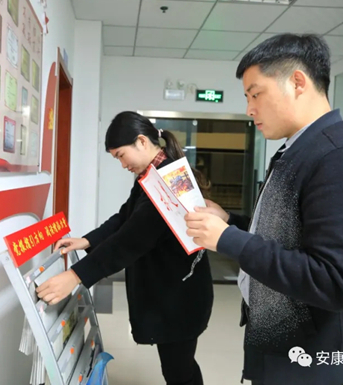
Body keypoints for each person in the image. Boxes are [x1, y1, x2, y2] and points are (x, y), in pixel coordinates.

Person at [185, 33, 343, 385]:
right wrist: (230, 222)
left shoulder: (342, 158)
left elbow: (335, 281)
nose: (250, 109)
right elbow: (292, 234)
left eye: (256, 94)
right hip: (288, 349)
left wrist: (228, 239)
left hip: (317, 364)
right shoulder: (299, 151)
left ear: (297, 82)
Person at [36, 111, 214, 385]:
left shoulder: (166, 182)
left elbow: (130, 240)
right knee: (180, 367)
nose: (121, 165)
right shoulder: (154, 174)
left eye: (120, 155)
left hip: (180, 296)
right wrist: (88, 240)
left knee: (179, 371)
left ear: (141, 141)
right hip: (178, 291)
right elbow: (125, 217)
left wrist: (75, 275)